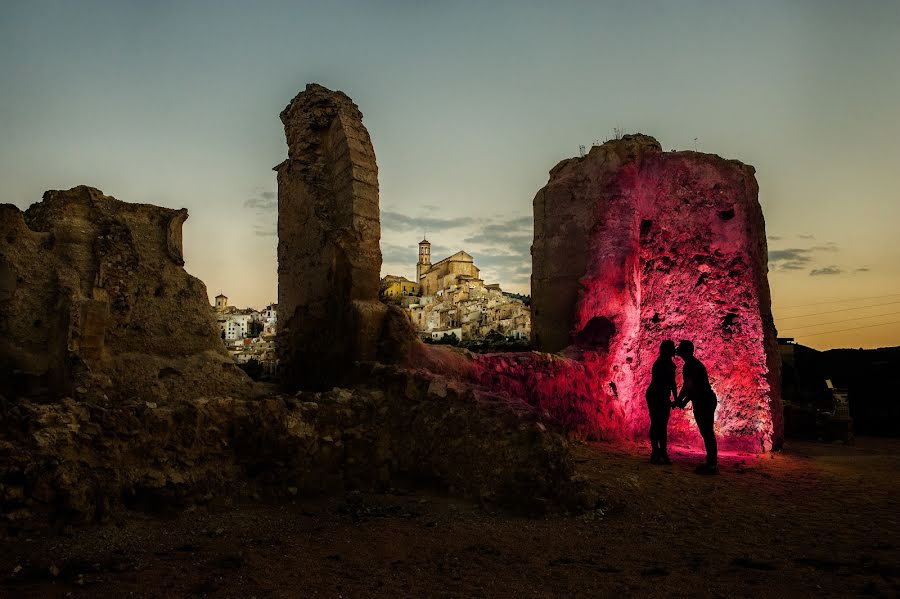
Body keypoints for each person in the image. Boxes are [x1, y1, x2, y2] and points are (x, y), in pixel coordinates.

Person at [674, 340, 719, 474]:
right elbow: (689, 387)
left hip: (703, 400)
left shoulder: (690, 366)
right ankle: (711, 463)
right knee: (707, 432)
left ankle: (712, 465)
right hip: (705, 399)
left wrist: (681, 401)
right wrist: (680, 400)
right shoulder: (692, 364)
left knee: (707, 432)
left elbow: (691, 387)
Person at [645, 340, 678, 465]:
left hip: (657, 395)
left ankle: (659, 452)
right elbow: (671, 383)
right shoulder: (665, 364)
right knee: (658, 424)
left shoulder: (662, 363)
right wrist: (676, 398)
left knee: (659, 424)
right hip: (657, 395)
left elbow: (670, 383)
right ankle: (658, 452)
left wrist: (674, 398)